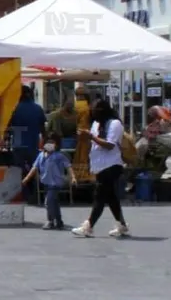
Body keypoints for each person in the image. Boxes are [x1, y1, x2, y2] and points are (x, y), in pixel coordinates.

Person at [72, 99, 130, 238]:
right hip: (99, 165)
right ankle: (121, 224)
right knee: (111, 198)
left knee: (99, 196)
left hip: (111, 165)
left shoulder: (114, 124)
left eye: (97, 110)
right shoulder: (96, 124)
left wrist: (91, 136)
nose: (94, 113)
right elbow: (94, 141)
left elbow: (110, 145)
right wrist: (85, 137)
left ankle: (88, 226)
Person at [22, 134, 75, 230]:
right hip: (46, 183)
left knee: (48, 202)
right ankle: (59, 221)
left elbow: (68, 166)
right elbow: (35, 168)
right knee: (54, 203)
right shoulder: (41, 155)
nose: (50, 145)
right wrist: (26, 178)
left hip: (56, 183)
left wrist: (73, 177)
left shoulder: (59, 156)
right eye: (48, 143)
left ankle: (50, 221)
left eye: (52, 143)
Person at [9, 85, 47, 204]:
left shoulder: (14, 108)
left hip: (18, 143)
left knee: (18, 171)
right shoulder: (37, 108)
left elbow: (8, 126)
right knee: (34, 170)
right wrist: (45, 142)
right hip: (33, 144)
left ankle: (21, 195)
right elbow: (43, 129)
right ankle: (36, 195)